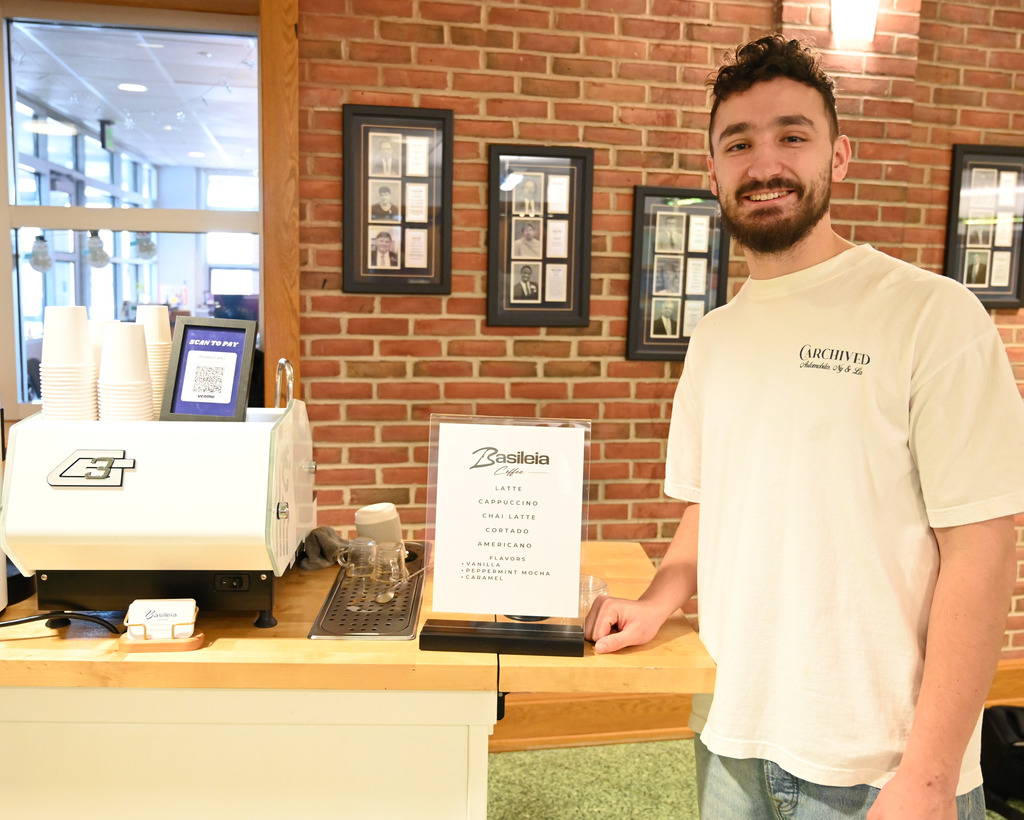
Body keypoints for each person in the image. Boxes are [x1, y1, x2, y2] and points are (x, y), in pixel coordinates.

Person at [585, 34, 1024, 820]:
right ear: (711, 170)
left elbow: (983, 551)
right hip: (733, 736)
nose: (764, 164)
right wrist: (659, 596)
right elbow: (706, 508)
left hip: (880, 764)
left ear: (839, 156)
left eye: (793, 135)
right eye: (739, 143)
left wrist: (926, 776)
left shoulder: (932, 315)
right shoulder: (715, 337)